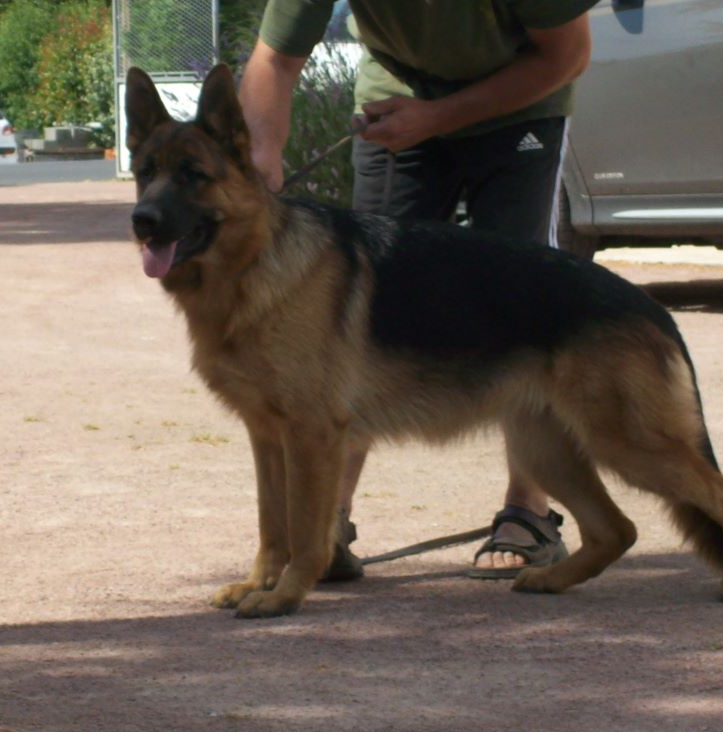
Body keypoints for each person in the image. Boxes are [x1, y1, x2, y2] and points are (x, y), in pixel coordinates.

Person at [238, 0, 599, 580]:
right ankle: (327, 519)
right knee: (359, 313)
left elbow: (567, 54)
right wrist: (259, 160)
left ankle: (528, 509)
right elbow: (275, 59)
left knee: (524, 309)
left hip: (521, 101)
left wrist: (436, 118)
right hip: (394, 101)